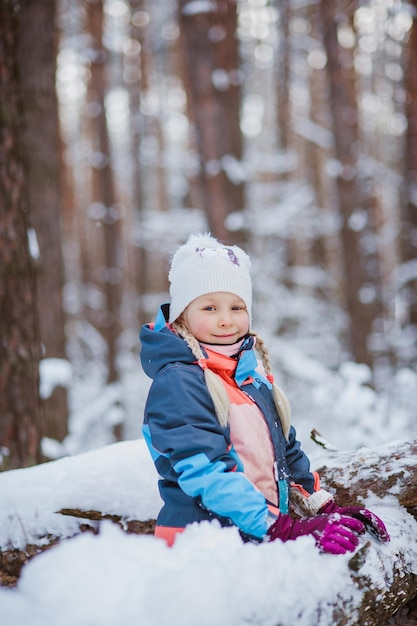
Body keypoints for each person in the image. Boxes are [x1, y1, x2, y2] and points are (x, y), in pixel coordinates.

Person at [140, 233, 390, 552]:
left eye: (237, 307)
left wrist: (325, 509)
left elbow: (285, 450)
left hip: (253, 537)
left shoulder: (251, 379)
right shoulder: (179, 381)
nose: (226, 320)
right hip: (202, 546)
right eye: (210, 307)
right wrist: (279, 528)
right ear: (182, 314)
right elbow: (206, 472)